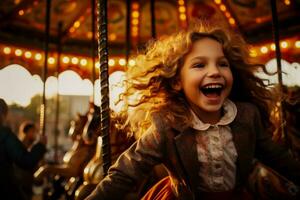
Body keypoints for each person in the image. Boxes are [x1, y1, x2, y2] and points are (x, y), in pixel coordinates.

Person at [85, 23, 300, 200]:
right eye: (200, 65)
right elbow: (125, 173)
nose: (215, 72)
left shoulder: (246, 116)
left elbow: (280, 159)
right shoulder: (166, 125)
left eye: (223, 64)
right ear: (178, 81)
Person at [0, 98, 47, 200]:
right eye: (33, 131)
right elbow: (25, 160)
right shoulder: (5, 135)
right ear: (3, 115)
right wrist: (41, 146)